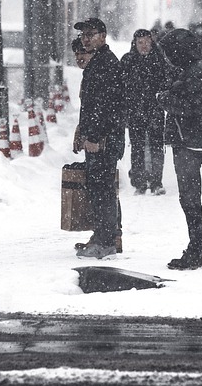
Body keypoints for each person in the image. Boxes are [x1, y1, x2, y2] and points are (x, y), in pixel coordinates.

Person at [156, 28, 202, 270]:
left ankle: (197, 250)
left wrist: (165, 99)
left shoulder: (195, 75)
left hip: (190, 142)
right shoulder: (190, 71)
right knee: (188, 198)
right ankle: (195, 247)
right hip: (187, 140)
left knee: (190, 198)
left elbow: (194, 107)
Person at [72, 17, 125, 260]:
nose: (86, 38)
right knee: (98, 188)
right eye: (84, 35)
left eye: (91, 34)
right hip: (99, 138)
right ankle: (102, 236)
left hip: (103, 141)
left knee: (102, 189)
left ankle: (106, 241)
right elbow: (92, 106)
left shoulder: (106, 64)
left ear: (103, 36)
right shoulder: (98, 63)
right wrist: (82, 131)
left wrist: (94, 136)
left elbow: (106, 107)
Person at [121, 28, 171, 195]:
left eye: (147, 42)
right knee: (137, 147)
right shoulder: (127, 61)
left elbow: (167, 82)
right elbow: (120, 86)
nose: (144, 46)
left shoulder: (159, 60)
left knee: (157, 147)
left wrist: (162, 98)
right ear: (134, 44)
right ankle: (139, 182)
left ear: (152, 42)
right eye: (140, 43)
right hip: (134, 111)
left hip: (155, 110)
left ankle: (156, 181)